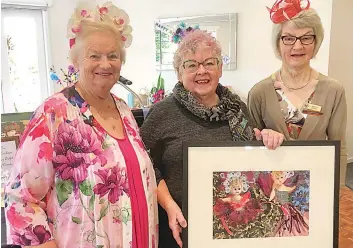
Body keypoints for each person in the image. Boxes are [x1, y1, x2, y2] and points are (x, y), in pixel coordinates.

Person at [4, 2, 158, 248]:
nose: (105, 64)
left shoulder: (124, 110)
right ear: (76, 60)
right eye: (94, 56)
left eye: (113, 56)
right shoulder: (54, 113)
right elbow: (19, 200)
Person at [140, 28, 285, 247]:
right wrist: (169, 204)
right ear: (179, 73)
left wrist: (267, 138)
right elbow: (143, 162)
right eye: (191, 65)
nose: (202, 71)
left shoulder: (238, 109)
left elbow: (251, 157)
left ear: (220, 68)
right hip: (181, 224)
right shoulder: (163, 112)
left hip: (232, 224)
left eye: (209, 62)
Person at [247, 0, 347, 187]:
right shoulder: (259, 92)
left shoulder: (333, 90)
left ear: (316, 41)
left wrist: (336, 193)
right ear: (278, 42)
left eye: (306, 37)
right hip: (273, 187)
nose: (298, 46)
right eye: (289, 38)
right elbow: (250, 146)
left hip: (318, 184)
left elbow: (338, 148)